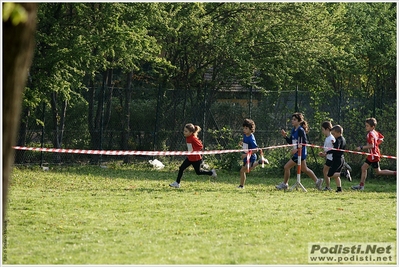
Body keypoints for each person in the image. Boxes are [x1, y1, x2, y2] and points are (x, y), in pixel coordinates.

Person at [276, 112, 323, 190]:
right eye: (292, 119)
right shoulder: (293, 130)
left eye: (294, 119)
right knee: (304, 169)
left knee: (286, 167)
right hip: (297, 153)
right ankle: (317, 181)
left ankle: (285, 184)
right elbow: (291, 141)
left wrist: (297, 149)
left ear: (299, 121)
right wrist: (285, 137)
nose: (292, 121)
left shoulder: (301, 130)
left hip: (300, 153)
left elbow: (304, 142)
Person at [352, 117, 397, 191]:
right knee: (364, 168)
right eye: (365, 125)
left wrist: (361, 147)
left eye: (367, 126)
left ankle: (395, 173)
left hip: (373, 155)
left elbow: (371, 145)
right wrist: (376, 145)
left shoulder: (370, 134)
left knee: (378, 171)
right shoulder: (375, 133)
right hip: (372, 154)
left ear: (372, 127)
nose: (366, 127)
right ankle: (361, 185)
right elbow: (381, 139)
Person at [169, 123, 217, 188]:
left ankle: (211, 172)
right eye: (184, 130)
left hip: (196, 159)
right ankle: (177, 183)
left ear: (191, 132)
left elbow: (200, 146)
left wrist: (194, 152)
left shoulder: (193, 138)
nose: (184, 132)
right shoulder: (188, 137)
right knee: (181, 168)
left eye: (186, 131)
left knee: (198, 172)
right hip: (189, 158)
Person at [237, 119, 269, 189]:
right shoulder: (245, 135)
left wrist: (246, 155)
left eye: (246, 128)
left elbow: (255, 149)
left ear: (251, 129)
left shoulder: (251, 138)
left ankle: (259, 162)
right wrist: (242, 142)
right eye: (244, 128)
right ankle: (241, 185)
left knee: (243, 170)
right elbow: (245, 140)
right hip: (246, 157)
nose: (244, 130)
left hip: (251, 157)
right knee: (244, 171)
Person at [324, 125, 346, 192]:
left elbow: (336, 149)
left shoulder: (338, 140)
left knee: (330, 174)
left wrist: (327, 152)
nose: (333, 135)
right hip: (341, 158)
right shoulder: (343, 139)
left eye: (334, 133)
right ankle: (339, 189)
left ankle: (344, 174)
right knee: (336, 174)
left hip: (337, 159)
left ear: (339, 132)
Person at [318, 121, 335, 190]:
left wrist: (327, 153)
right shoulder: (327, 138)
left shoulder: (331, 138)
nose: (322, 131)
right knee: (326, 171)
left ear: (327, 129)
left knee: (326, 171)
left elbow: (334, 148)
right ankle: (327, 186)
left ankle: (328, 186)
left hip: (332, 158)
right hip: (328, 157)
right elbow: (328, 149)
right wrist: (324, 154)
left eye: (323, 130)